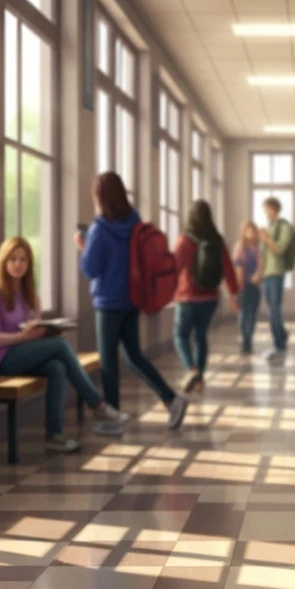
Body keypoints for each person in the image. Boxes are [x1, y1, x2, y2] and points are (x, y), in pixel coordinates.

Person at [0, 236, 127, 454]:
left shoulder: (30, 294)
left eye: (23, 259)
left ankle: (54, 435)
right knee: (60, 345)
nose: (18, 264)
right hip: (4, 358)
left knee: (57, 368)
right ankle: (97, 404)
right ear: (3, 262)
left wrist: (44, 331)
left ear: (29, 264)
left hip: (27, 352)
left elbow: (34, 328)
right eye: (13, 259)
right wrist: (23, 337)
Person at [75, 171, 186, 431]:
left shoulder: (99, 229)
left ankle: (114, 417)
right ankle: (171, 399)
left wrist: (83, 245)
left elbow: (91, 268)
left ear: (99, 197)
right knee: (133, 355)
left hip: (108, 303)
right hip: (131, 299)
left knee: (108, 362)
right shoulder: (134, 222)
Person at [173, 200, 239, 392]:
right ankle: (199, 380)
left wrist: (165, 292)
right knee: (200, 336)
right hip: (210, 298)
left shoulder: (185, 240)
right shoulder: (217, 240)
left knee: (180, 335)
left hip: (187, 297)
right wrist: (233, 295)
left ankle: (191, 369)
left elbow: (174, 267)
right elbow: (228, 269)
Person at [259, 196, 293, 364]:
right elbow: (264, 253)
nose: (265, 213)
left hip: (276, 274)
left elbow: (280, 249)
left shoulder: (284, 226)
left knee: (274, 311)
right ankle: (282, 336)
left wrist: (266, 238)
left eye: (267, 210)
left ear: (274, 209)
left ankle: (280, 345)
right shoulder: (271, 226)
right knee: (271, 310)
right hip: (267, 274)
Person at [232, 220, 262, 355]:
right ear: (243, 232)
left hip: (255, 286)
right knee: (243, 315)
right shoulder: (239, 247)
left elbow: (261, 266)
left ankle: (248, 340)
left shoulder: (257, 249)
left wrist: (257, 276)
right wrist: (239, 286)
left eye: (253, 230)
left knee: (253, 315)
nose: (251, 233)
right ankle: (245, 342)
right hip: (243, 286)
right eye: (248, 230)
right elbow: (237, 266)